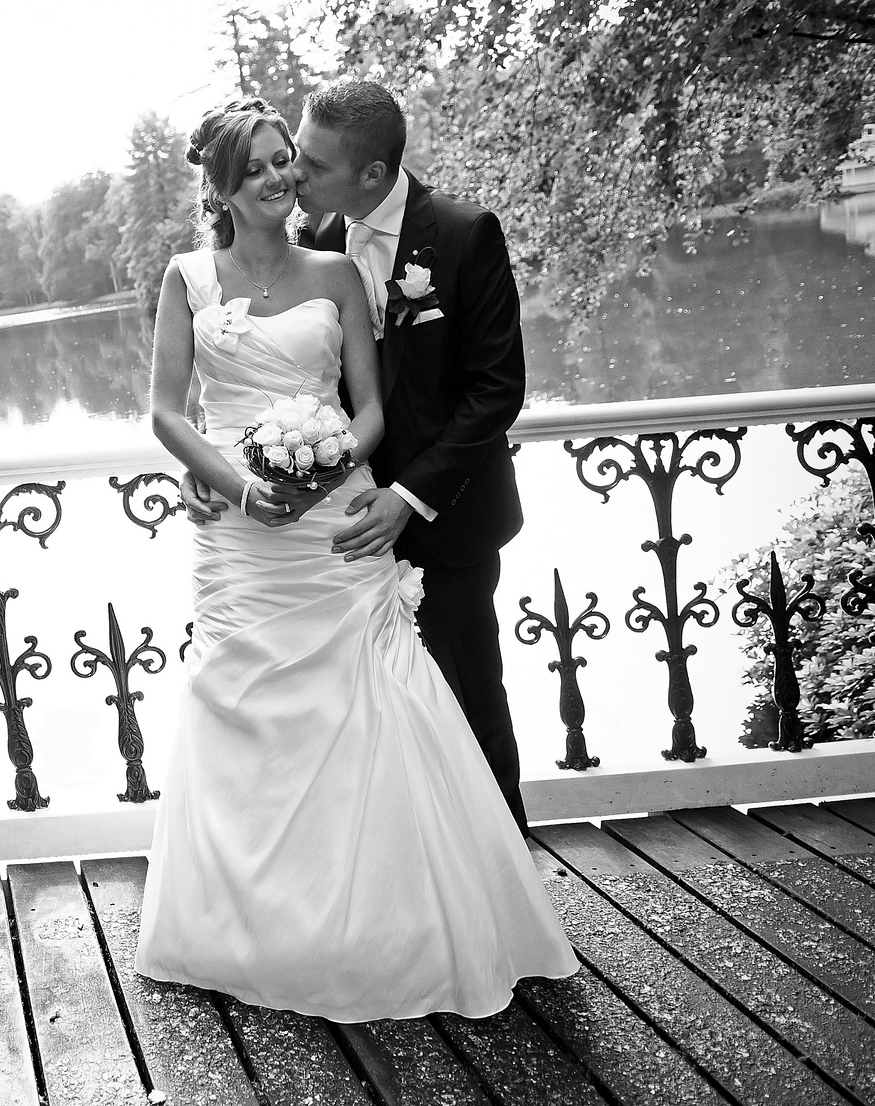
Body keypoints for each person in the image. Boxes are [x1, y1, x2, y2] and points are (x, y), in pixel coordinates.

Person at [135, 95, 575, 1022]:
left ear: (364, 172)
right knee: (251, 709)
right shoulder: (214, 267)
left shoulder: (417, 245)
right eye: (264, 163)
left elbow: (453, 394)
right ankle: (266, 921)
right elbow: (177, 408)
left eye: (293, 159)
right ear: (220, 186)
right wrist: (220, 477)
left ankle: (474, 900)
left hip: (382, 510)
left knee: (429, 702)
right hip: (252, 529)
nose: (286, 175)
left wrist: (348, 471)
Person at [179, 81, 531, 834]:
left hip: (444, 517)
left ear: (371, 173)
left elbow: (496, 391)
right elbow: (277, 378)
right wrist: (209, 463)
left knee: (466, 708)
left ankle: (502, 879)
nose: (294, 175)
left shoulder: (464, 234)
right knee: (356, 725)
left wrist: (408, 494)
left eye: (310, 163)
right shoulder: (311, 241)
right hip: (333, 523)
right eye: (291, 157)